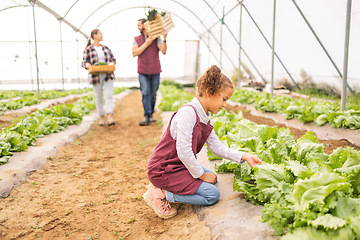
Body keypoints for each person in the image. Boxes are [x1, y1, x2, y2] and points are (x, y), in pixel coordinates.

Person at [142, 65, 263, 219]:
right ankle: (162, 193)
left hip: (178, 166)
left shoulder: (204, 116)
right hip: (163, 168)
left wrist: (244, 156)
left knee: (212, 177)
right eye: (224, 99)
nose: (225, 104)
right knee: (211, 195)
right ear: (209, 92)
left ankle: (169, 187)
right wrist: (200, 175)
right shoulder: (188, 113)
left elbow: (217, 148)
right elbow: (184, 152)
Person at [132, 18, 168, 126]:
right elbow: (135, 53)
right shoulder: (136, 39)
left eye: (139, 25)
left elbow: (164, 51)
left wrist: (165, 38)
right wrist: (146, 43)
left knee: (153, 94)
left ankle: (151, 113)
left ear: (145, 26)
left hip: (155, 71)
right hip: (142, 72)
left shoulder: (157, 38)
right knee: (145, 93)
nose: (138, 27)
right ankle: (146, 116)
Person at [82, 29, 116, 126]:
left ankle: (110, 116)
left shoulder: (105, 48)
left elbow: (113, 59)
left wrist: (112, 63)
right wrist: (87, 65)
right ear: (95, 35)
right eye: (100, 34)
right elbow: (84, 62)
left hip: (108, 74)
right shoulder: (88, 49)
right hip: (95, 76)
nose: (102, 35)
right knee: (99, 98)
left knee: (109, 96)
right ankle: (101, 117)